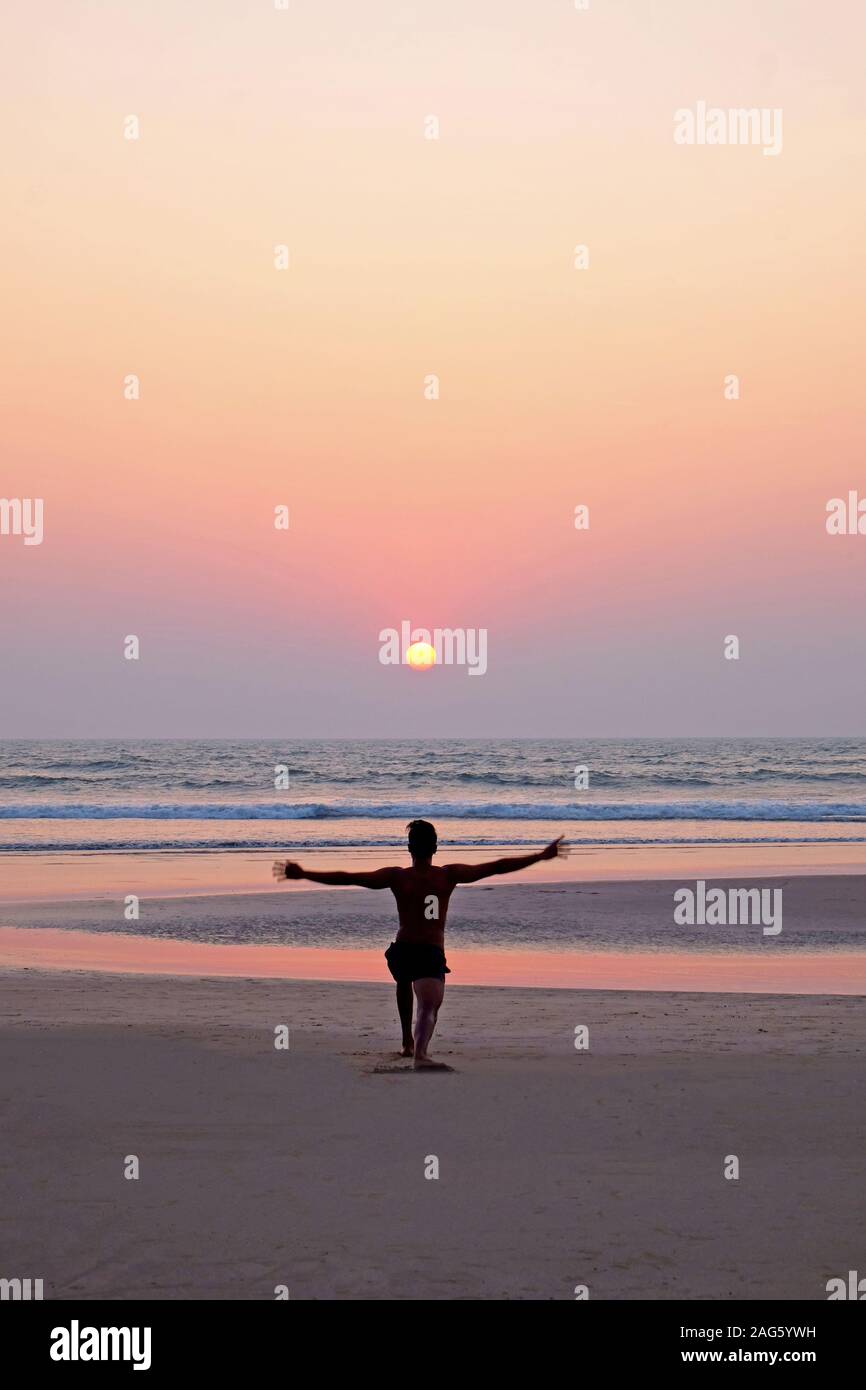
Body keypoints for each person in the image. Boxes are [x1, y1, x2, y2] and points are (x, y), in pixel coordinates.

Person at [273, 821, 566, 1071]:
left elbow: (349, 878)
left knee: (404, 981)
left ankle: (407, 1043)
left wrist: (305, 873)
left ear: (409, 849)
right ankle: (420, 1054)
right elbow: (497, 867)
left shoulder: (397, 877)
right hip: (428, 953)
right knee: (429, 1005)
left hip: (401, 953)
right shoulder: (447, 875)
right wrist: (540, 856)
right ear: (435, 848)